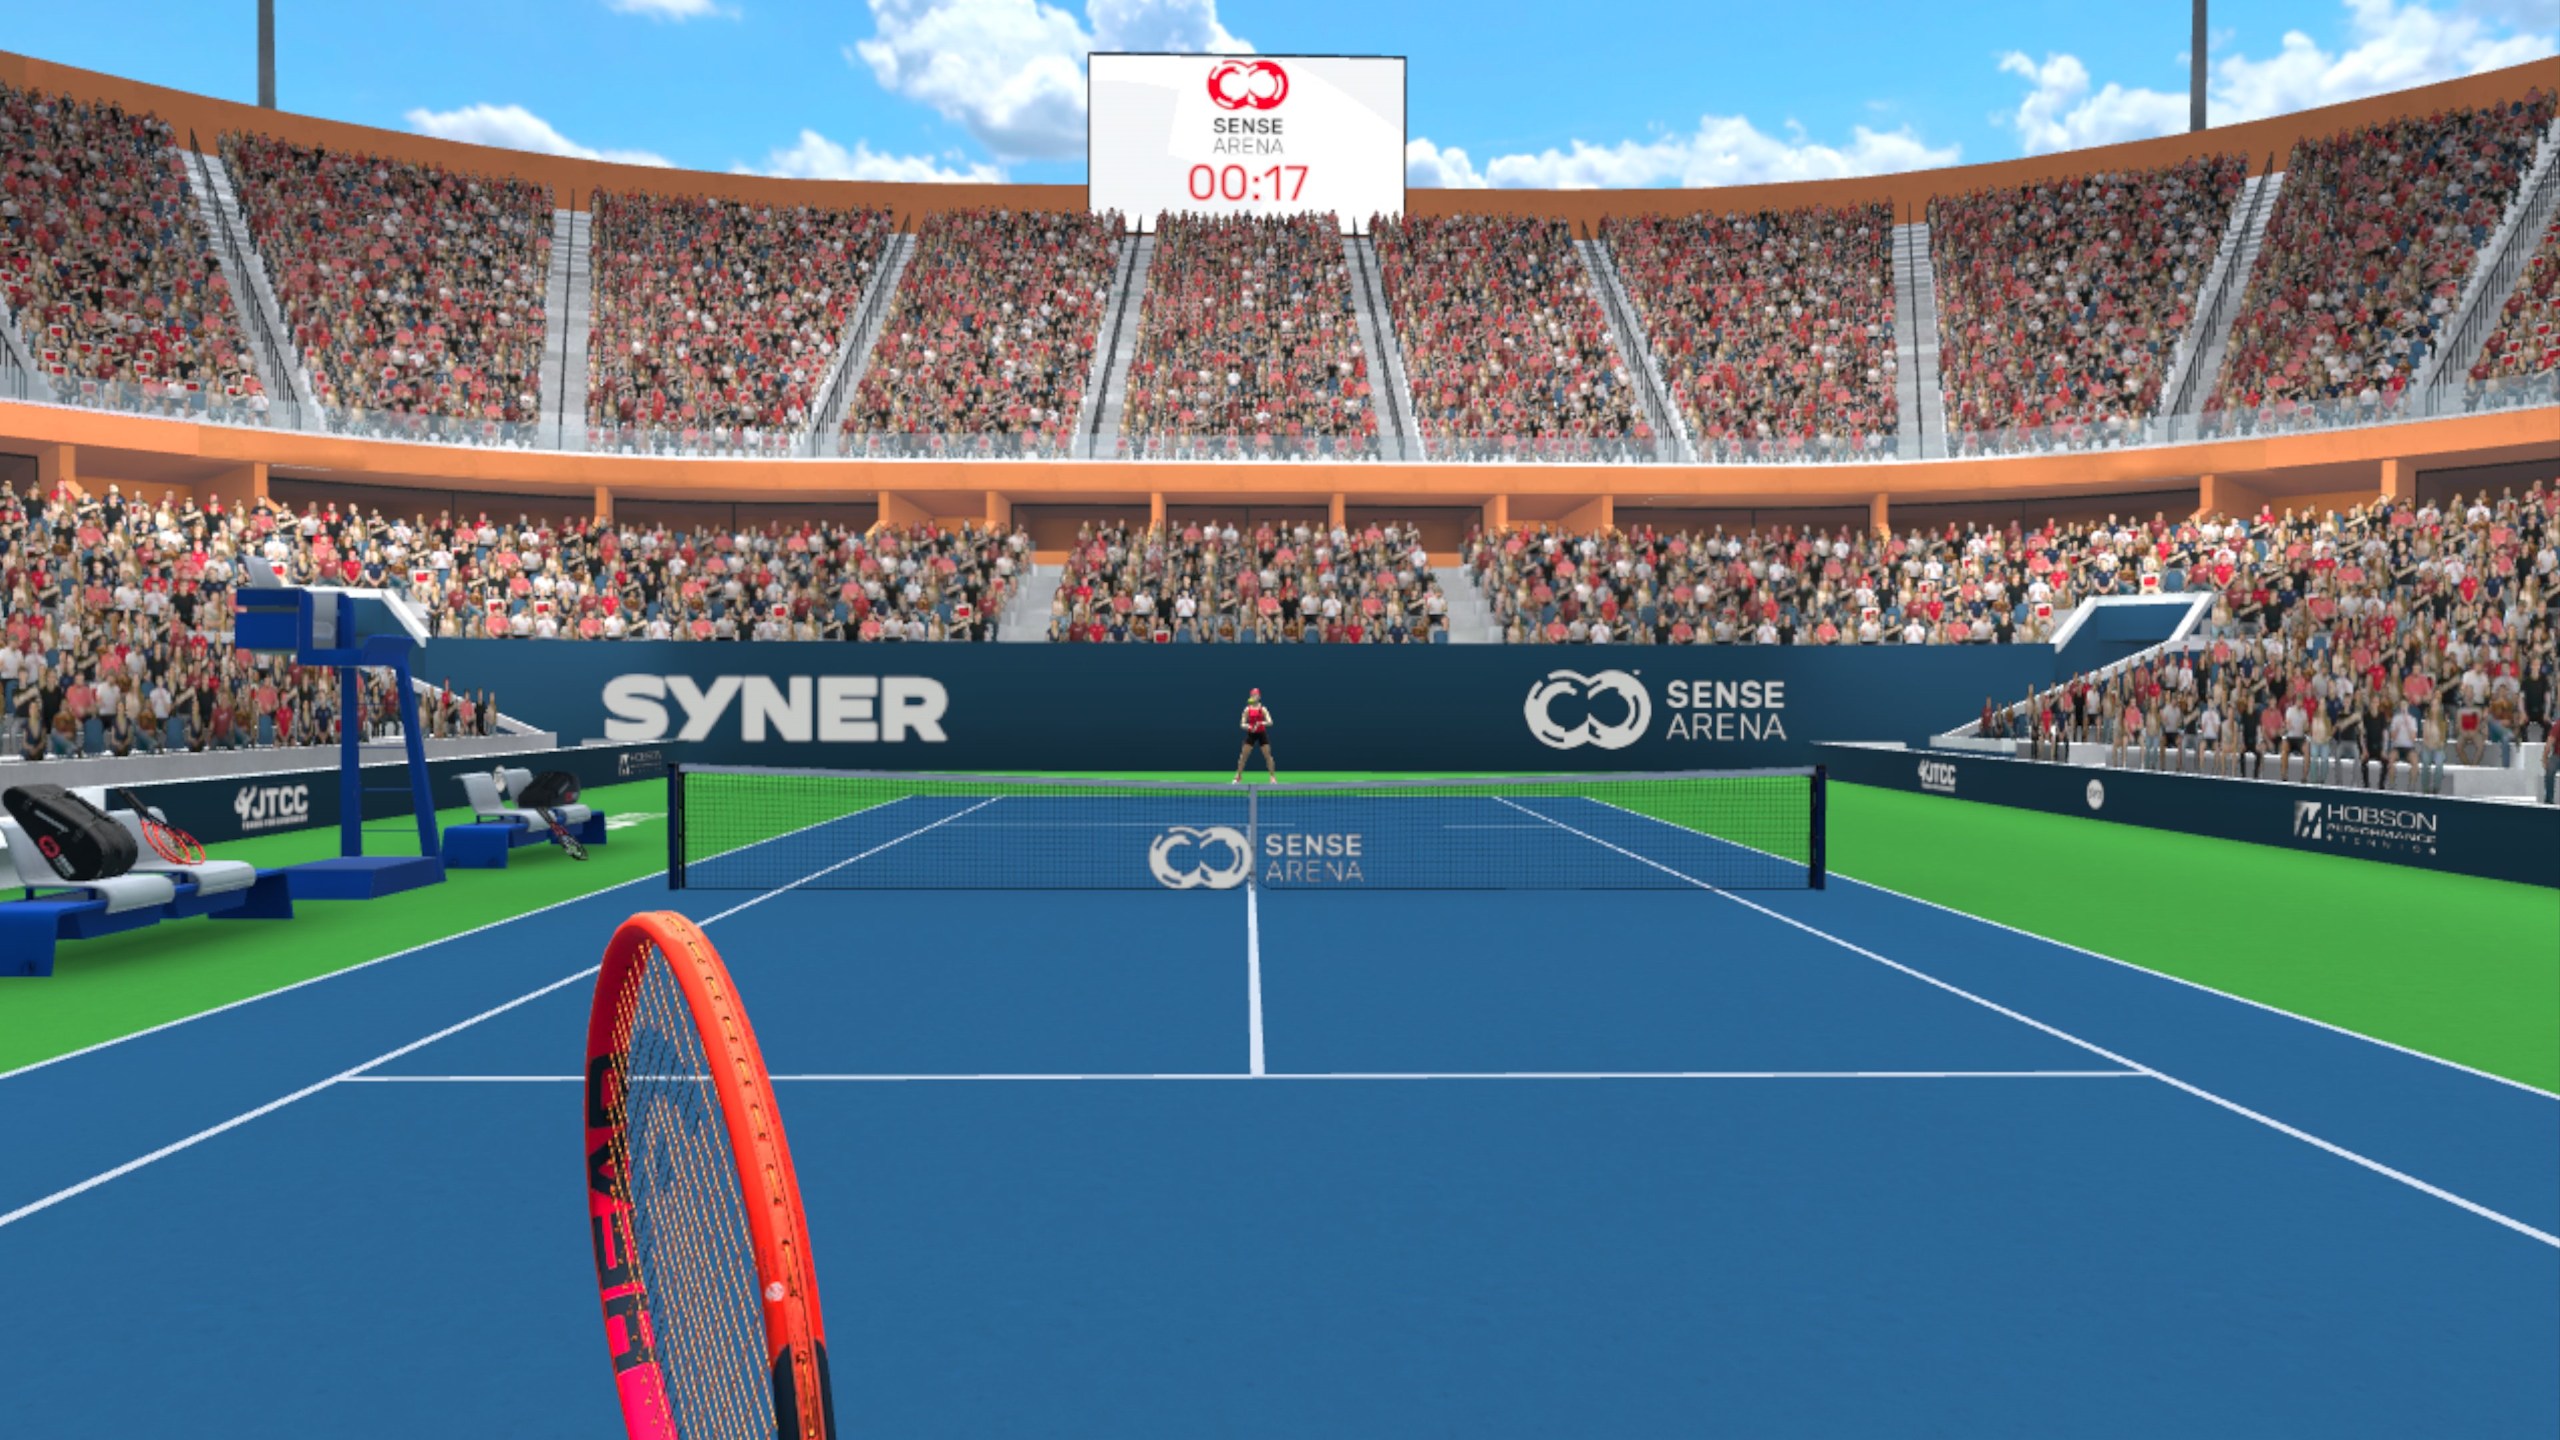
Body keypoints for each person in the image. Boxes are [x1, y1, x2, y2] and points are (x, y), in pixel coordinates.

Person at [1233, 687, 1277, 785]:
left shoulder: (1263, 709)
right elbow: (1242, 724)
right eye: (1252, 695)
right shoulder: (1247, 709)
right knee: (1243, 756)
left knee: (1268, 756)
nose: (1254, 696)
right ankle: (1238, 776)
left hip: (1262, 734)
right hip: (1251, 734)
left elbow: (1270, 722)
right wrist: (1249, 726)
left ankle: (1272, 777)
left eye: (1256, 695)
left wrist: (1261, 723)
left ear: (1259, 697)